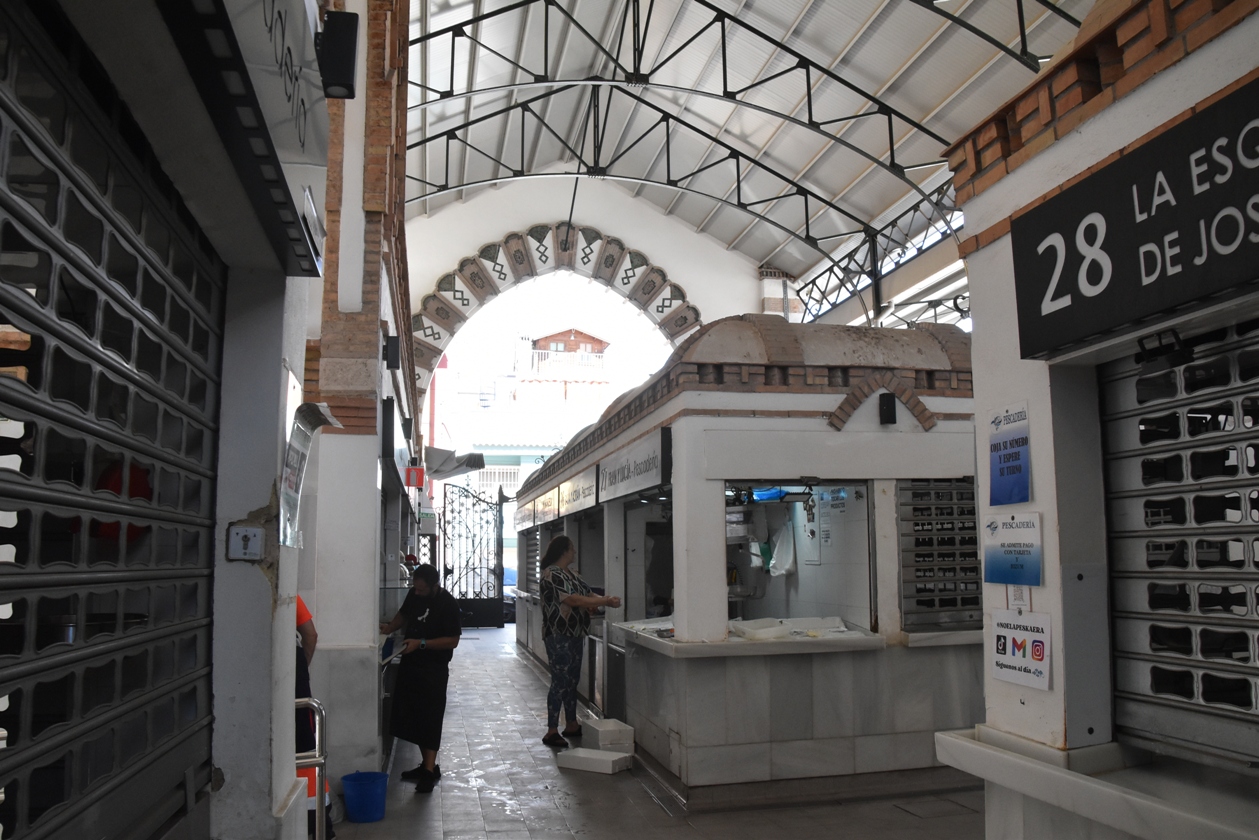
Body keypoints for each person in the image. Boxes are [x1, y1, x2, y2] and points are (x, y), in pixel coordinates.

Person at [379, 564, 461, 792]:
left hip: (433, 668)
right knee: (414, 715)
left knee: (430, 717)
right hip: (410, 664)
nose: (417, 593)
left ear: (435, 586)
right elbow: (403, 615)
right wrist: (387, 629)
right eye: (415, 588)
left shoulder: (448, 604)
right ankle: (427, 765)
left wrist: (422, 644)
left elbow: (453, 640)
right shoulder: (414, 594)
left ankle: (428, 770)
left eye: (421, 590)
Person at [539, 535, 620, 748]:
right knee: (559, 681)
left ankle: (572, 723)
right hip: (558, 634)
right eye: (572, 549)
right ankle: (551, 729)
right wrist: (604, 602)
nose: (574, 552)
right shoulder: (551, 574)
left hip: (576, 632)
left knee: (572, 680)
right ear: (564, 551)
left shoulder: (572, 574)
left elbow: (585, 593)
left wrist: (597, 601)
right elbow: (572, 600)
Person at [294, 596, 333, 840]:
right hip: (294, 672)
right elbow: (310, 634)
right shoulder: (288, 594)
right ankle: (320, 825)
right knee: (306, 746)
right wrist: (299, 670)